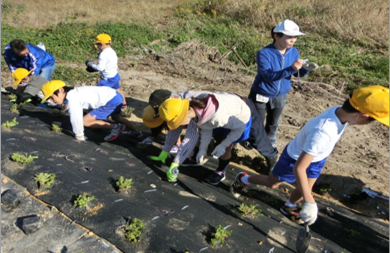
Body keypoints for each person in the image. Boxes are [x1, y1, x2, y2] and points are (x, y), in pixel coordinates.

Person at [230, 85, 389, 226]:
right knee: (273, 183)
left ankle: (289, 205)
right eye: (373, 120)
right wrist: (310, 201)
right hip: (294, 159)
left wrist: (307, 195)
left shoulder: (340, 113)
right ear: (362, 116)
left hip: (317, 158)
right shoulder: (324, 130)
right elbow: (299, 168)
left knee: (305, 187)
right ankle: (243, 179)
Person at [249, 19, 317, 147]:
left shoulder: (293, 51)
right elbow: (267, 76)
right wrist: (291, 68)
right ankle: (253, 141)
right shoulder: (264, 53)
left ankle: (269, 141)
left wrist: (306, 69)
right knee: (256, 120)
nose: (293, 40)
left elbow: (297, 73)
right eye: (289, 37)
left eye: (295, 37)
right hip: (262, 92)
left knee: (273, 122)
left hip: (281, 94)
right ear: (276, 36)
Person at [40, 80, 143, 141]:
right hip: (115, 96)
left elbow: (76, 119)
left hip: (110, 101)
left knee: (85, 121)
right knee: (116, 117)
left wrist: (79, 135)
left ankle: (116, 127)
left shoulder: (72, 98)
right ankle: (136, 132)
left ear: (61, 90)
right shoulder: (76, 91)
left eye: (51, 97)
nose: (51, 101)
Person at [85, 33, 127, 108]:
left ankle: (99, 108)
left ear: (101, 44)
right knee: (117, 90)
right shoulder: (112, 51)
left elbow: (100, 68)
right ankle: (124, 105)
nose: (97, 46)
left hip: (107, 79)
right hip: (115, 76)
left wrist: (91, 64)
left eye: (97, 44)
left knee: (99, 93)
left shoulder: (103, 54)